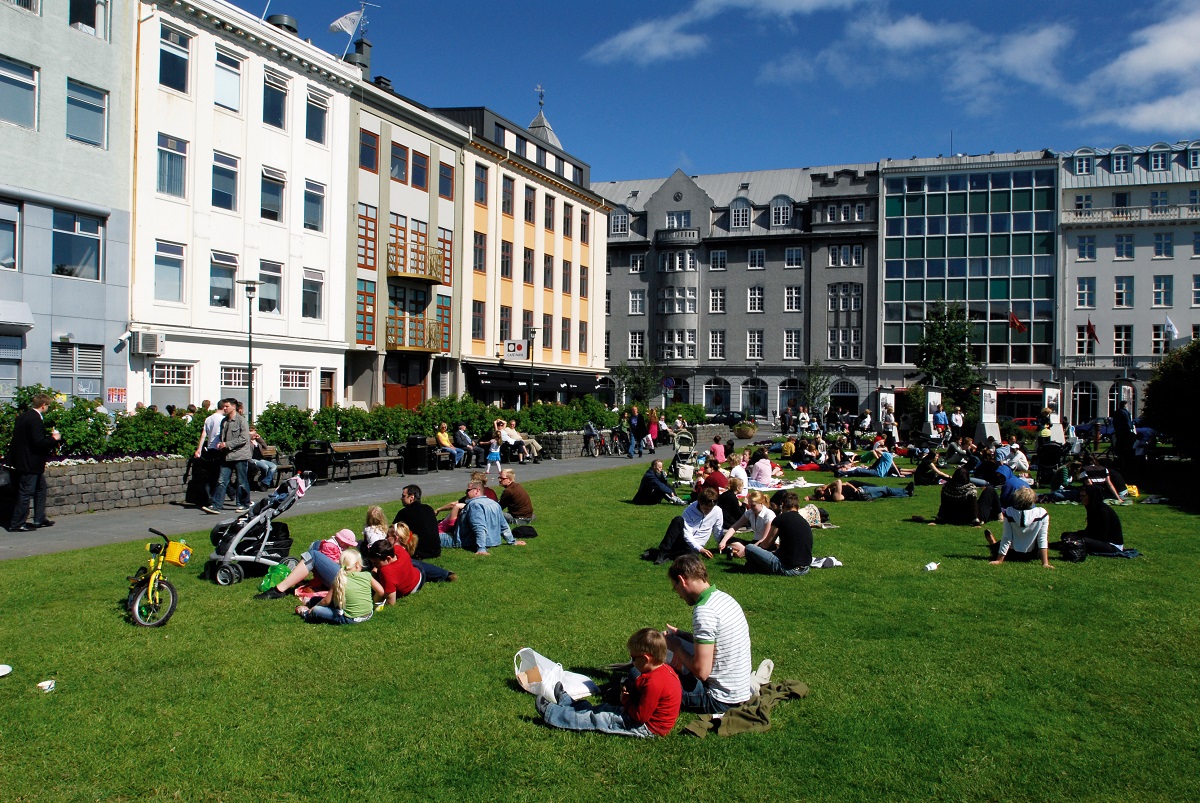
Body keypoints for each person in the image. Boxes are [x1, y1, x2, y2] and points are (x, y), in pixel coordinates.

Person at [537, 628, 681, 738]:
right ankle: (570, 705)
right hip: (643, 717)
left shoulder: (655, 682)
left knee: (599, 717)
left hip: (648, 727)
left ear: (645, 658)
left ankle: (553, 714)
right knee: (603, 708)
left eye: (633, 658)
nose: (631, 662)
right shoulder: (662, 670)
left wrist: (625, 699)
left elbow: (640, 716)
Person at [663, 554, 753, 713]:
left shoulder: (704, 611)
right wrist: (684, 636)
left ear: (682, 580)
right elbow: (718, 644)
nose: (677, 593)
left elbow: (701, 672)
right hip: (740, 691)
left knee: (645, 678)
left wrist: (676, 647)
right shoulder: (723, 598)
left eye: (674, 587)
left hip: (719, 699)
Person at [6, 393, 62, 531]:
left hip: (23, 460)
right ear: (43, 406)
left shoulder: (23, 416)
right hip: (30, 462)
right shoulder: (35, 419)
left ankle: (39, 518)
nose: (47, 408)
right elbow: (38, 442)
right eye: (47, 406)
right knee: (26, 492)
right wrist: (54, 439)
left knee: (41, 488)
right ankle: (17, 523)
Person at [256, 528, 360, 600]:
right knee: (315, 550)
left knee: (313, 554)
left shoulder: (334, 547)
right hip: (351, 579)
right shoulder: (331, 546)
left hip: (347, 580)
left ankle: (279, 589)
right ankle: (281, 588)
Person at [729, 491, 812, 576]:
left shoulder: (780, 519)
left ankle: (752, 566)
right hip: (805, 568)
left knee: (750, 548)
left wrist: (750, 551)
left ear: (782, 504)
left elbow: (766, 544)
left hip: (787, 568)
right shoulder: (804, 521)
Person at [295, 548, 383, 624]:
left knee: (317, 610)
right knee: (315, 600)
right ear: (357, 564)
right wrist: (373, 602)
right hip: (368, 614)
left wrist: (315, 607)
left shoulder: (339, 580)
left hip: (350, 618)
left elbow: (326, 601)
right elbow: (381, 591)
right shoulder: (367, 575)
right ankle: (310, 602)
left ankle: (305, 612)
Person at [370, 524, 455, 600]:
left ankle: (445, 574)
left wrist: (374, 575)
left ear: (396, 538)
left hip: (416, 578)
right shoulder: (399, 550)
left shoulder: (387, 572)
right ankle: (445, 574)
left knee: (414, 565)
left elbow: (390, 601)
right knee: (415, 564)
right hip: (417, 573)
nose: (386, 538)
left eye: (387, 536)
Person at [646, 487, 723, 564]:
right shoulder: (689, 510)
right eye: (705, 508)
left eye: (710, 509)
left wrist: (723, 545)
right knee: (678, 520)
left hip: (695, 547)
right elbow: (687, 534)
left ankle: (657, 554)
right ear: (699, 502)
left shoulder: (717, 511)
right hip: (685, 541)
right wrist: (700, 549)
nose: (708, 511)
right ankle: (663, 552)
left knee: (691, 557)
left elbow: (718, 532)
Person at [202, 399, 252, 515]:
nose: (224, 408)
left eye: (226, 406)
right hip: (226, 456)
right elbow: (222, 437)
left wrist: (227, 444)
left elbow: (244, 438)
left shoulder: (241, 421)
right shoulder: (224, 421)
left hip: (240, 456)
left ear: (233, 407)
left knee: (242, 481)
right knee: (222, 480)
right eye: (224, 407)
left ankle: (243, 504)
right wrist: (221, 444)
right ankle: (216, 505)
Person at [986, 486, 1052, 568]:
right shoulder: (1041, 513)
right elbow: (1042, 538)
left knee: (999, 545)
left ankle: (994, 544)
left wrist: (999, 560)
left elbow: (1007, 537)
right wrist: (1045, 563)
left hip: (1012, 553)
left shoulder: (1010, 512)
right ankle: (994, 544)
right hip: (1033, 554)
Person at [456, 479, 526, 555]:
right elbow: (504, 525)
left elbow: (479, 527)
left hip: (467, 542)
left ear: (476, 491)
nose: (466, 492)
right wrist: (512, 541)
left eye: (468, 490)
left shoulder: (475, 504)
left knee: (441, 536)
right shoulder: (494, 503)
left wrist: (481, 549)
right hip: (495, 541)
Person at [1059, 487, 1124, 555]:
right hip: (1099, 540)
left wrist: (1079, 537)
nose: (1081, 498)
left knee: (1082, 541)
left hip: (1112, 545)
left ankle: (1066, 545)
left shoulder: (1103, 511)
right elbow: (1090, 530)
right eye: (1080, 496)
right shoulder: (1092, 508)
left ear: (1091, 497)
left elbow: (1102, 536)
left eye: (1083, 496)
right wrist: (1076, 534)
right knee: (1066, 535)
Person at [717, 489, 775, 553]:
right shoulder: (750, 513)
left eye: (753, 506)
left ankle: (743, 550)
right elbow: (735, 527)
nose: (750, 508)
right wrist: (724, 541)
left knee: (751, 548)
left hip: (766, 544)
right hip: (754, 542)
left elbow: (765, 538)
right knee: (724, 538)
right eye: (749, 505)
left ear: (761, 503)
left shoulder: (768, 514)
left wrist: (750, 549)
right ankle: (743, 550)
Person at [392, 485, 441, 560]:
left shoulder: (404, 513)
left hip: (419, 552)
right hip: (436, 551)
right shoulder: (429, 509)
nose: (401, 498)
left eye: (403, 496)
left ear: (411, 497)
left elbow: (392, 530)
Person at [807, 479, 914, 502]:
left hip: (862, 490)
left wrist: (810, 497)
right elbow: (839, 481)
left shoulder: (831, 494)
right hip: (863, 493)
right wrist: (828, 486)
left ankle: (905, 493)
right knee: (885, 489)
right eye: (821, 489)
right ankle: (906, 492)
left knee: (885, 492)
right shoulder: (836, 496)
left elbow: (808, 497)